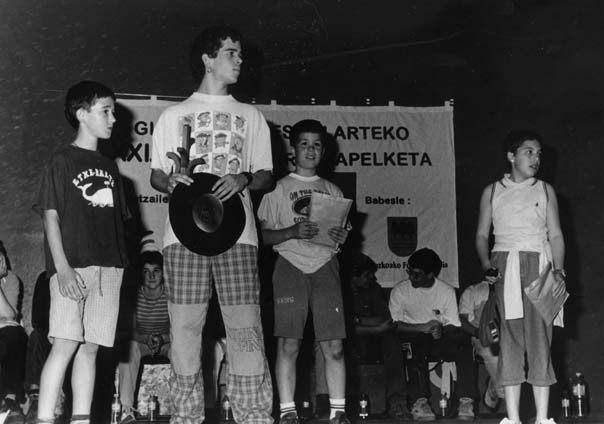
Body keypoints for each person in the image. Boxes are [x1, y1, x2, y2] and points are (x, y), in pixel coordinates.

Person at [150, 26, 274, 424]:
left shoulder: (252, 116)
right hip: (183, 236)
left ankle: (253, 415)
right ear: (208, 59)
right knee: (185, 330)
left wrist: (244, 178)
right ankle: (185, 417)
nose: (239, 60)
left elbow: (266, 175)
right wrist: (170, 181)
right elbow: (157, 175)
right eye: (230, 53)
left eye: (239, 53)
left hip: (238, 236)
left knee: (245, 328)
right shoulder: (172, 115)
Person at [34, 80, 129, 424]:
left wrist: (118, 269)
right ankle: (44, 419)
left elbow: (115, 225)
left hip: (109, 270)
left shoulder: (111, 167)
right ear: (81, 114)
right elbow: (51, 217)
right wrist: (62, 269)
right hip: (72, 268)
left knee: (90, 349)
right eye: (106, 111)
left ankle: (81, 419)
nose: (113, 119)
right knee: (65, 344)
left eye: (114, 112)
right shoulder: (61, 160)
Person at [257, 119, 350, 424]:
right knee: (289, 343)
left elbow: (341, 236)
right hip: (290, 266)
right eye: (304, 144)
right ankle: (287, 412)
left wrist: (342, 237)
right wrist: (292, 232)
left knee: (334, 346)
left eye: (317, 144)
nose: (311, 150)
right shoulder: (277, 188)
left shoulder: (332, 189)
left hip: (325, 266)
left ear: (324, 150)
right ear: (293, 149)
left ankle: (338, 412)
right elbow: (262, 236)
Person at [475, 131, 566, 424]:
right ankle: (512, 418)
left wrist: (559, 270)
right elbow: (482, 235)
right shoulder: (492, 191)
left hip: (540, 265)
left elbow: (556, 235)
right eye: (529, 152)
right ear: (511, 156)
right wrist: (486, 264)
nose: (536, 159)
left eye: (539, 154)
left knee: (541, 341)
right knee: (510, 341)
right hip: (505, 265)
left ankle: (542, 419)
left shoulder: (545, 190)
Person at [389, 248, 476, 421]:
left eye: (416, 274)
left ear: (430, 275)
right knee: (414, 344)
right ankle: (420, 402)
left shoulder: (446, 291)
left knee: (463, 342)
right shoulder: (400, 291)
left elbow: (454, 324)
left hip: (438, 340)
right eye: (409, 272)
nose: (411, 277)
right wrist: (422, 327)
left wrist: (441, 330)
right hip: (411, 338)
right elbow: (394, 325)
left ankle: (466, 401)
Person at [342, 252, 409, 418]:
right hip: (349, 338)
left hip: (372, 337)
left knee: (391, 341)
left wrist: (357, 321)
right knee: (338, 340)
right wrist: (371, 327)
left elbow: (384, 319)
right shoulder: (338, 290)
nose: (371, 278)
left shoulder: (374, 288)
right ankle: (343, 405)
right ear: (353, 277)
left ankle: (397, 403)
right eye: (366, 275)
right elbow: (343, 326)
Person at [118, 247, 170, 424]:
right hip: (142, 341)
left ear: (163, 273)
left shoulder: (170, 294)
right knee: (129, 348)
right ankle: (126, 411)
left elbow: (178, 329)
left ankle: (182, 407)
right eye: (146, 272)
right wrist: (145, 339)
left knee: (182, 348)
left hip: (166, 341)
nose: (152, 276)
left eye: (156, 271)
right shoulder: (135, 295)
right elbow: (131, 330)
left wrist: (162, 339)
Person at [459, 276, 505, 412]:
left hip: (508, 337)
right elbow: (462, 321)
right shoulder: (472, 290)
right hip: (481, 338)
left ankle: (493, 388)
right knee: (492, 354)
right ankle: (505, 395)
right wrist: (479, 333)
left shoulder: (511, 287)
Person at [0, 241, 28, 424]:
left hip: (5, 334)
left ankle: (10, 400)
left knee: (14, 334)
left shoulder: (10, 279)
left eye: (1, 257)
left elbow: (10, 316)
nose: (2, 263)